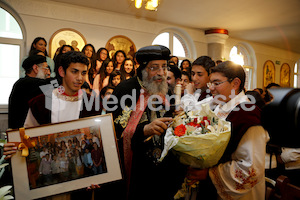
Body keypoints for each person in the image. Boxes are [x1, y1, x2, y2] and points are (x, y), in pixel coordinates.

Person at [4, 51, 101, 199]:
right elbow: (26, 139)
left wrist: (96, 174)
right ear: (62, 71)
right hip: (48, 184)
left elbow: (99, 143)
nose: (80, 78)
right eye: (74, 72)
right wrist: (14, 147)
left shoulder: (92, 104)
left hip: (81, 183)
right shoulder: (41, 102)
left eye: (83, 73)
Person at [185, 61, 269, 199]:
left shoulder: (247, 115)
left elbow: (252, 169)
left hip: (238, 194)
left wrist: (209, 174)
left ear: (235, 83)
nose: (211, 88)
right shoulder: (220, 106)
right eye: (210, 83)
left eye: (216, 83)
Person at [111, 45, 185, 200]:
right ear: (142, 68)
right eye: (154, 67)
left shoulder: (166, 89)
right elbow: (113, 131)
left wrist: (178, 117)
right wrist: (144, 130)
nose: (161, 73)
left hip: (163, 170)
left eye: (164, 67)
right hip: (137, 169)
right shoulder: (124, 90)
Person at [8, 55, 51, 129]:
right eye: (46, 68)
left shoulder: (25, 82)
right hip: (22, 132)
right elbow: (51, 83)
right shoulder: (25, 83)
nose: (48, 72)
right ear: (35, 68)